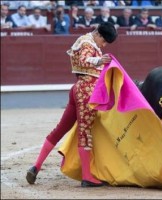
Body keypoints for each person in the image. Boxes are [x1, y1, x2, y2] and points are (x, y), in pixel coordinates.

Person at [26, 22, 118, 187]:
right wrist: (99, 60)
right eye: (104, 42)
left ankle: (36, 166)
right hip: (87, 91)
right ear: (99, 35)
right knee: (85, 133)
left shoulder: (84, 40)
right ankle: (87, 177)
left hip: (77, 89)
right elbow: (84, 59)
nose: (103, 45)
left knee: (60, 130)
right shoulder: (87, 43)